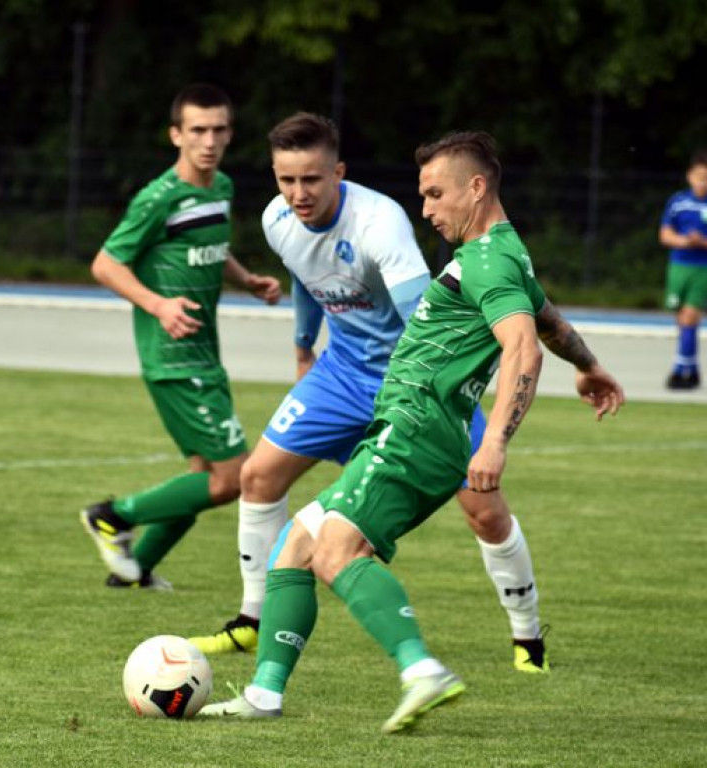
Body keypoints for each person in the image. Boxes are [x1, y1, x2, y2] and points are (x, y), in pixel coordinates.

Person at [201, 131, 625, 733]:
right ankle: (266, 694)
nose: (425, 209)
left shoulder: (489, 259)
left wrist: (498, 440)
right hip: (415, 427)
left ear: (476, 188)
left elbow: (523, 349)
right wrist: (588, 366)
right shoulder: (502, 253)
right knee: (294, 544)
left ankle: (420, 668)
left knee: (336, 551)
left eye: (435, 194)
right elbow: (548, 322)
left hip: (416, 426)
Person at [79, 83, 281, 589]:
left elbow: (212, 248)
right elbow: (105, 264)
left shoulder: (221, 188)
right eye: (197, 130)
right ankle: (112, 515)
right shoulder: (158, 198)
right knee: (232, 478)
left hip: (204, 353)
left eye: (218, 130)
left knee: (200, 473)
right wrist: (158, 304)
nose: (208, 141)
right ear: (176, 135)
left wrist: (247, 280)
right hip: (173, 357)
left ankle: (134, 573)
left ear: (230, 133)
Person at [659, 149, 707, 390]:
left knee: (690, 317)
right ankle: (694, 370)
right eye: (700, 176)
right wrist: (686, 241)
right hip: (679, 266)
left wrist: (702, 243)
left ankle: (679, 372)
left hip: (704, 269)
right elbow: (665, 234)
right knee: (682, 321)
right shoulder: (678, 201)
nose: (703, 182)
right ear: (690, 175)